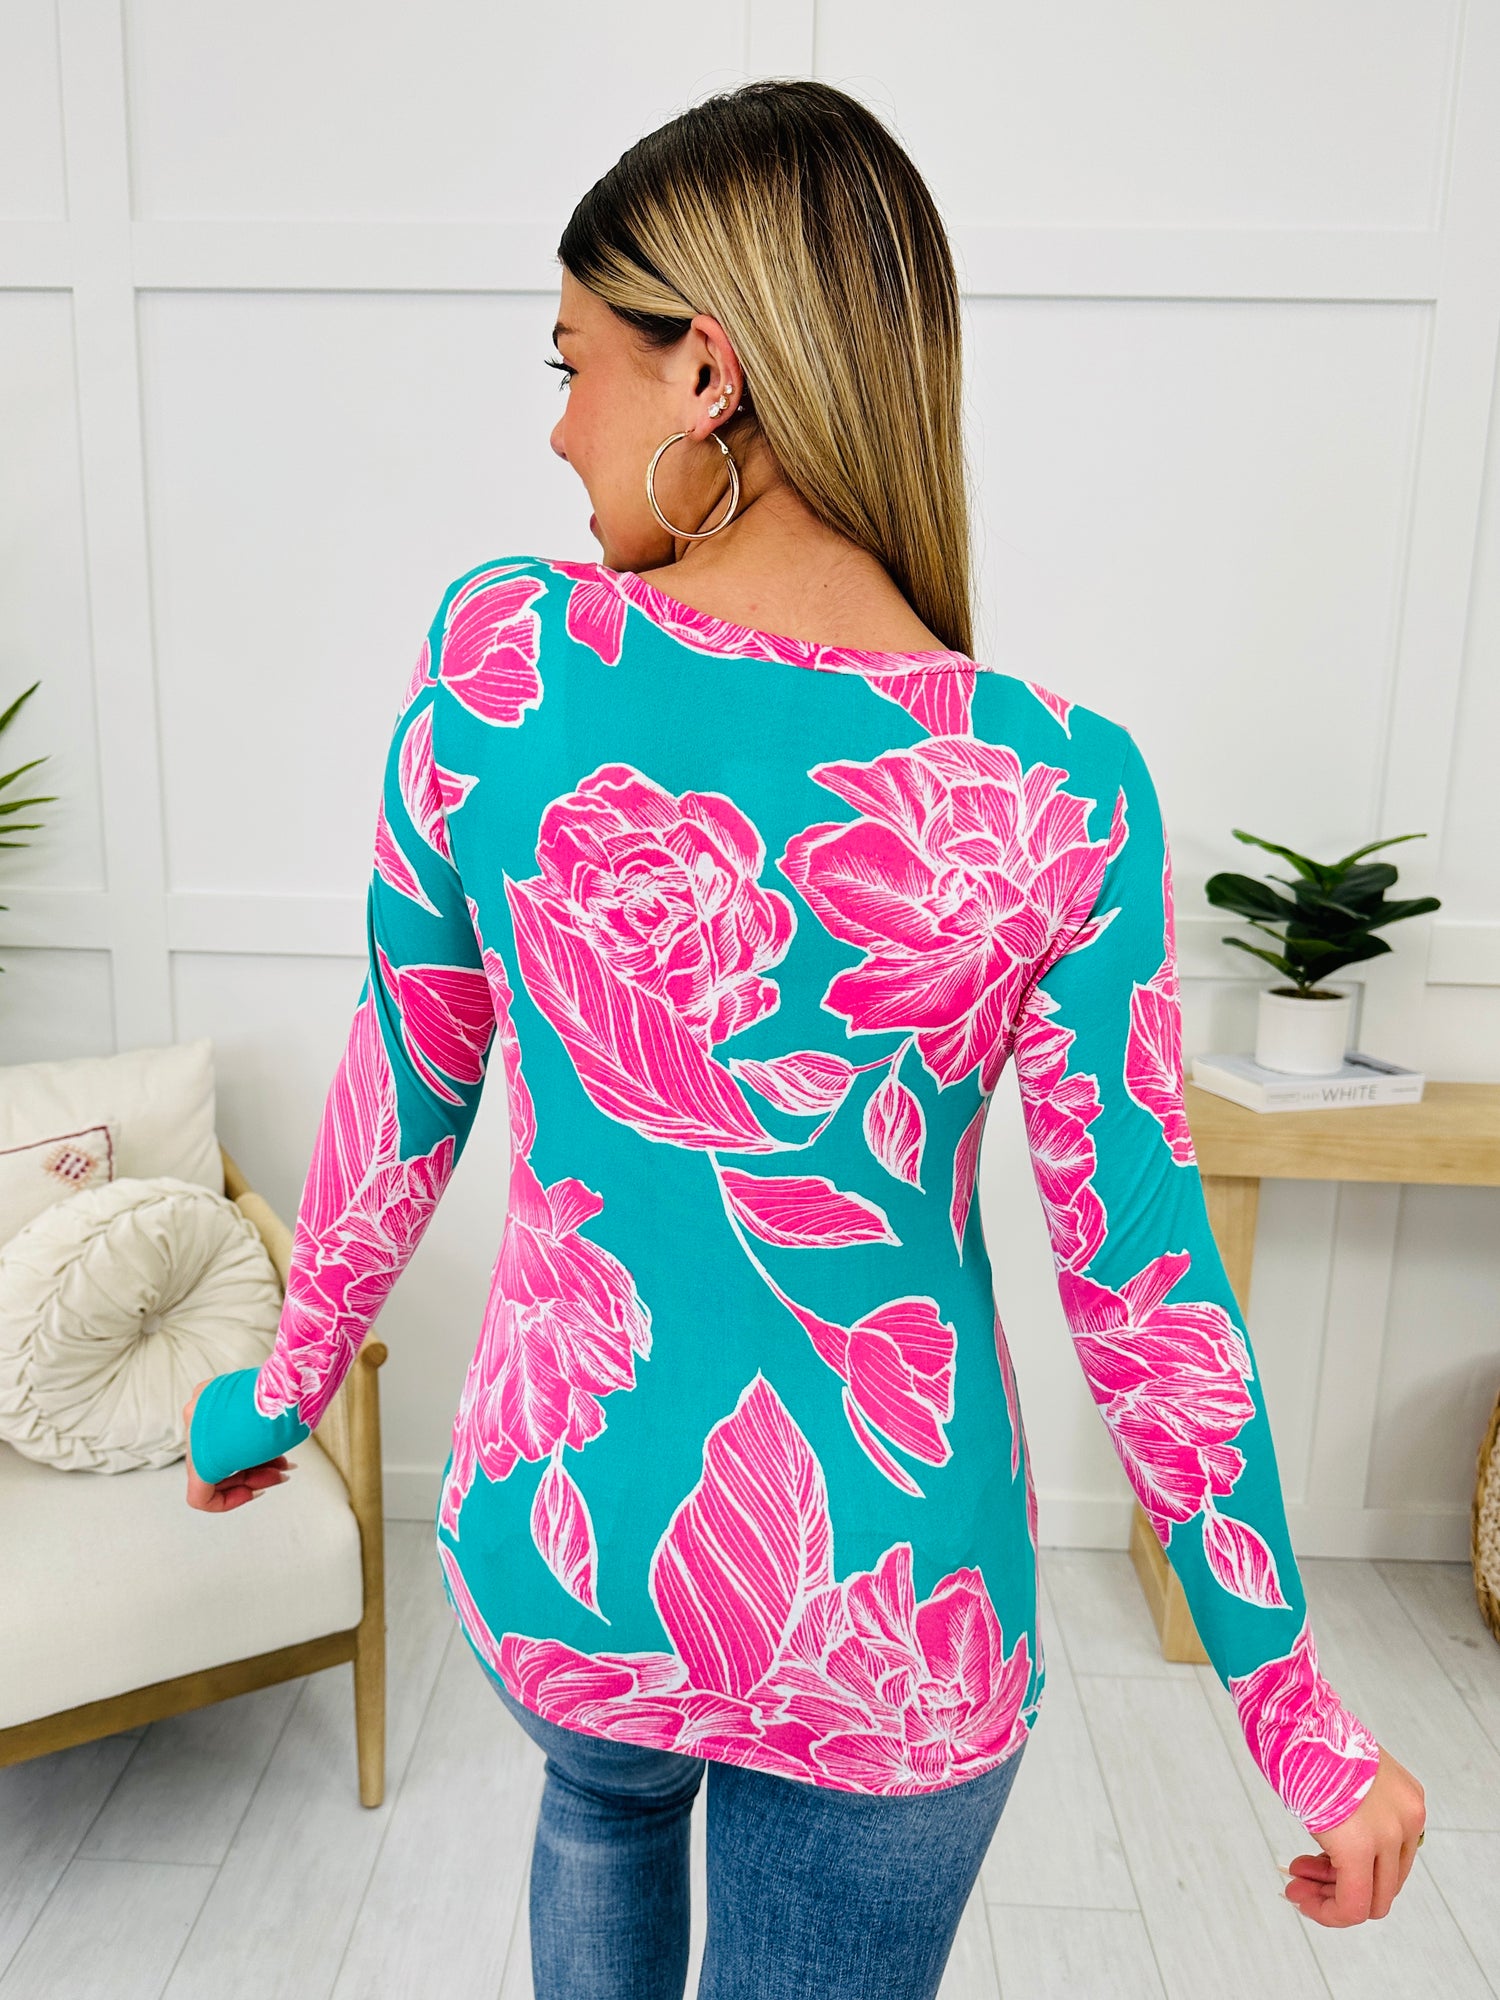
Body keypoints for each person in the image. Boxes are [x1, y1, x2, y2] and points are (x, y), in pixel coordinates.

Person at [183, 77, 1425, 1997]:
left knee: (599, 1813)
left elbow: (407, 1080)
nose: (556, 423)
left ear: (709, 373)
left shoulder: (504, 661)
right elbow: (1145, 1282)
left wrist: (277, 1392)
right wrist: (1298, 1718)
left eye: (574, 362)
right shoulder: (1061, 787)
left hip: (572, 1546)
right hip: (894, 1611)